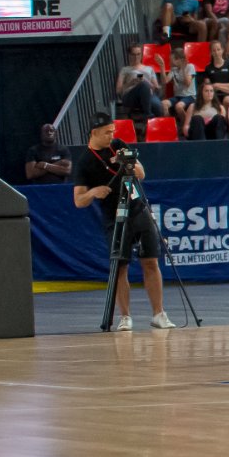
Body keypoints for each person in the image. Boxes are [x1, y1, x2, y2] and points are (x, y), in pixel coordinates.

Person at [72, 115, 175, 332]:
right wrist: (93, 192)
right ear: (94, 133)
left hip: (137, 207)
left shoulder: (119, 146)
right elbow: (79, 201)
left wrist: (125, 162)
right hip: (114, 215)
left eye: (113, 131)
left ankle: (159, 313)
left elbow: (141, 174)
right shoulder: (84, 161)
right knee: (120, 266)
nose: (112, 136)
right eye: (107, 132)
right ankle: (125, 316)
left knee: (150, 261)